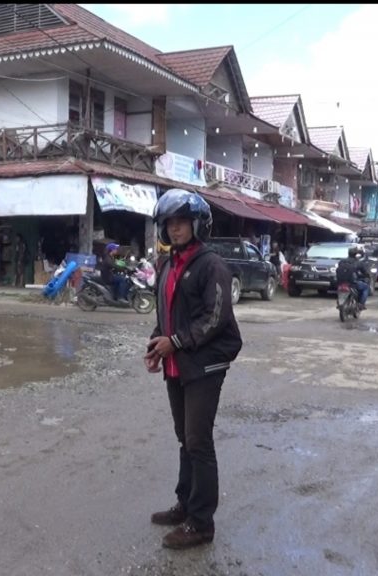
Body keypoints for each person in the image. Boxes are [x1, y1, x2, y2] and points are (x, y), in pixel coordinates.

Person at [144, 188, 243, 550]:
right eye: (169, 223)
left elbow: (215, 318)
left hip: (206, 363)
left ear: (198, 224)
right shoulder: (168, 264)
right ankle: (185, 504)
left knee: (199, 441)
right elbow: (166, 314)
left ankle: (202, 524)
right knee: (185, 438)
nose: (175, 229)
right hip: (178, 361)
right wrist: (157, 344)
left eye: (182, 222)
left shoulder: (211, 264)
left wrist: (177, 342)